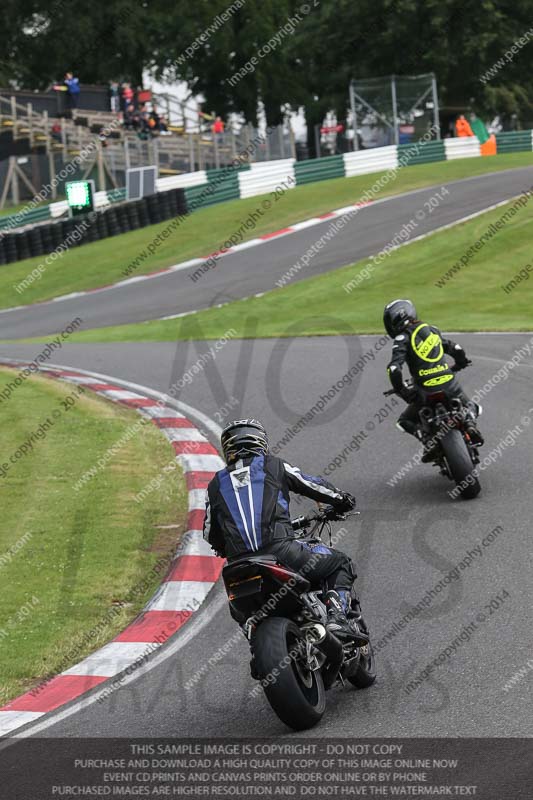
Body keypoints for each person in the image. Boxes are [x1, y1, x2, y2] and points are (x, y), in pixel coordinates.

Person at [203, 419, 368, 642]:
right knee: (340, 563)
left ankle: (255, 641)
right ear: (260, 442)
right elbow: (311, 484)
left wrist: (227, 548)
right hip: (281, 551)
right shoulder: (273, 465)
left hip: (238, 565)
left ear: (228, 449)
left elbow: (209, 533)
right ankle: (337, 618)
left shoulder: (215, 484)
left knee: (241, 611)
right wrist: (342, 500)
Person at [383, 299, 483, 461]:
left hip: (424, 390)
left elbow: (394, 369)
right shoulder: (431, 330)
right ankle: (470, 424)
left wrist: (403, 391)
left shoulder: (402, 338)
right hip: (449, 384)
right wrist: (461, 363)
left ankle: (426, 440)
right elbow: (455, 348)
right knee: (473, 405)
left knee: (404, 421)